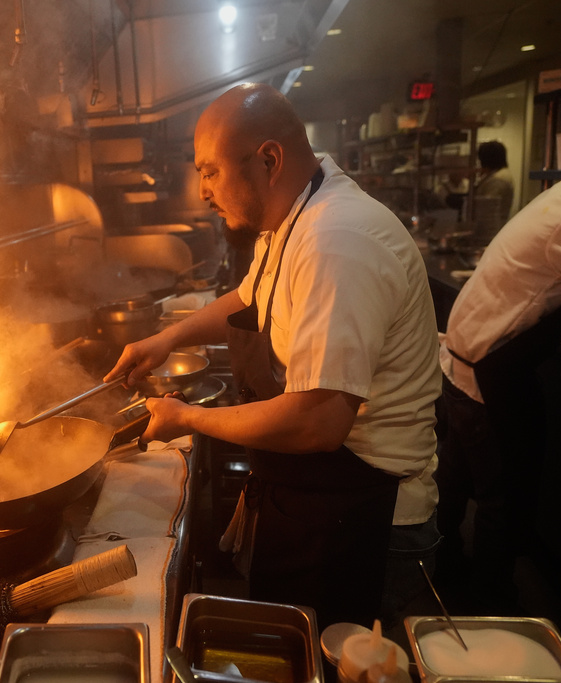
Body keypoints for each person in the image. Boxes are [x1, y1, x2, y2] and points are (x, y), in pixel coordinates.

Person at [103, 83, 442, 631]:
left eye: (209, 171)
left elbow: (319, 421)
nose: (202, 191)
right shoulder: (295, 215)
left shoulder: (338, 240)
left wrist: (186, 418)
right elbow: (250, 295)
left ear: (268, 159)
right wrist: (165, 340)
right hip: (327, 497)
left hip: (369, 521)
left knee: (343, 663)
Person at [436, 176, 561, 615]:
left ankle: (443, 574)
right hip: (487, 367)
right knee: (501, 499)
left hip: (466, 357)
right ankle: (491, 607)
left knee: (457, 481)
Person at [473, 140, 515, 238]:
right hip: (494, 230)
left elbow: (486, 210)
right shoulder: (501, 174)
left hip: (490, 233)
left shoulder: (497, 180)